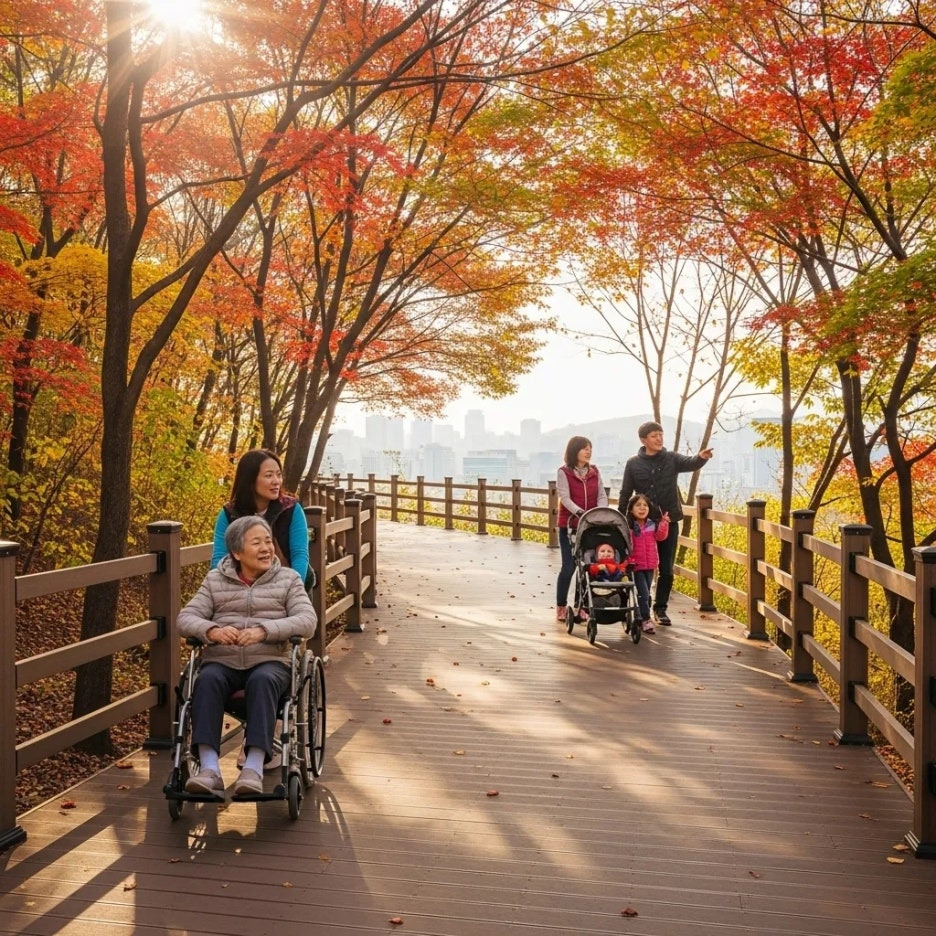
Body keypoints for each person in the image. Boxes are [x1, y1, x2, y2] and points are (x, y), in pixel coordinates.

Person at [178, 516, 318, 797]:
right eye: (256, 543)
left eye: (268, 541)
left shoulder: (289, 579)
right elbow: (185, 618)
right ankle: (209, 770)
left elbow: (307, 620)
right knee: (206, 680)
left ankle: (253, 768)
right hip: (223, 660)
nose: (266, 548)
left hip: (270, 660)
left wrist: (264, 631)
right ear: (237, 552)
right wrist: (212, 631)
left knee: (262, 680)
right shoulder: (215, 580)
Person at [618, 421, 712, 626]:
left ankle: (660, 608)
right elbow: (625, 492)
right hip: (642, 524)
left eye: (661, 434)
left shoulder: (671, 458)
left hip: (668, 522)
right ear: (643, 440)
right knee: (641, 565)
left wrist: (701, 458)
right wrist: (621, 519)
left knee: (667, 568)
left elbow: (690, 462)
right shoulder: (633, 463)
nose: (659, 438)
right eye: (654, 435)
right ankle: (643, 605)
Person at [212, 449, 310, 588]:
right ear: (250, 479)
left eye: (278, 475)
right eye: (269, 475)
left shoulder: (291, 509)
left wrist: (293, 590)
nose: (276, 481)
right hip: (241, 589)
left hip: (287, 585)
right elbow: (219, 560)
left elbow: (300, 556)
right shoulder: (230, 514)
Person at [556, 435, 609, 622]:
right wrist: (580, 512)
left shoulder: (594, 471)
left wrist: (600, 511)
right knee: (569, 567)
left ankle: (582, 606)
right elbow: (565, 497)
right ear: (574, 450)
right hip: (569, 526)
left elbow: (601, 494)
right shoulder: (564, 472)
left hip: (590, 526)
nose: (588, 451)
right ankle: (561, 606)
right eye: (584, 448)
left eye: (590, 448)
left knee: (586, 567)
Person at [625, 493, 670, 634]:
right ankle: (646, 619)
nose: (642, 508)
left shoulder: (651, 524)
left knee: (646, 593)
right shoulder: (629, 527)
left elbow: (660, 537)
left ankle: (639, 615)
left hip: (650, 565)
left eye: (645, 505)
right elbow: (626, 545)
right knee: (643, 593)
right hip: (636, 565)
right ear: (631, 509)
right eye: (638, 505)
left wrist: (664, 523)